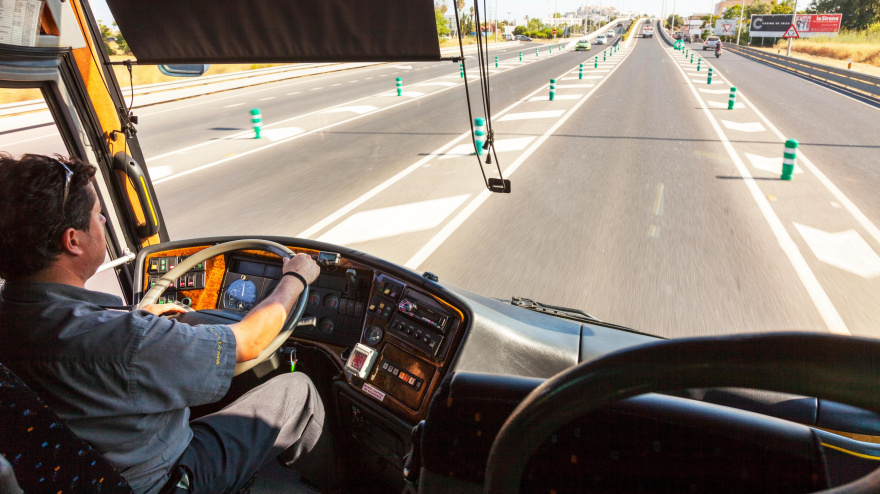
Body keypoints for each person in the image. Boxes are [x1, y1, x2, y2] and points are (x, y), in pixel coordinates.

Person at [0, 154, 336, 493]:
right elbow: (249, 340)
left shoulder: (12, 316)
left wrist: (142, 320)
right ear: (72, 241)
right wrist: (295, 278)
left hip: (83, 476)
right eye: (97, 215)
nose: (103, 219)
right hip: (165, 480)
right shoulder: (129, 341)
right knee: (298, 390)